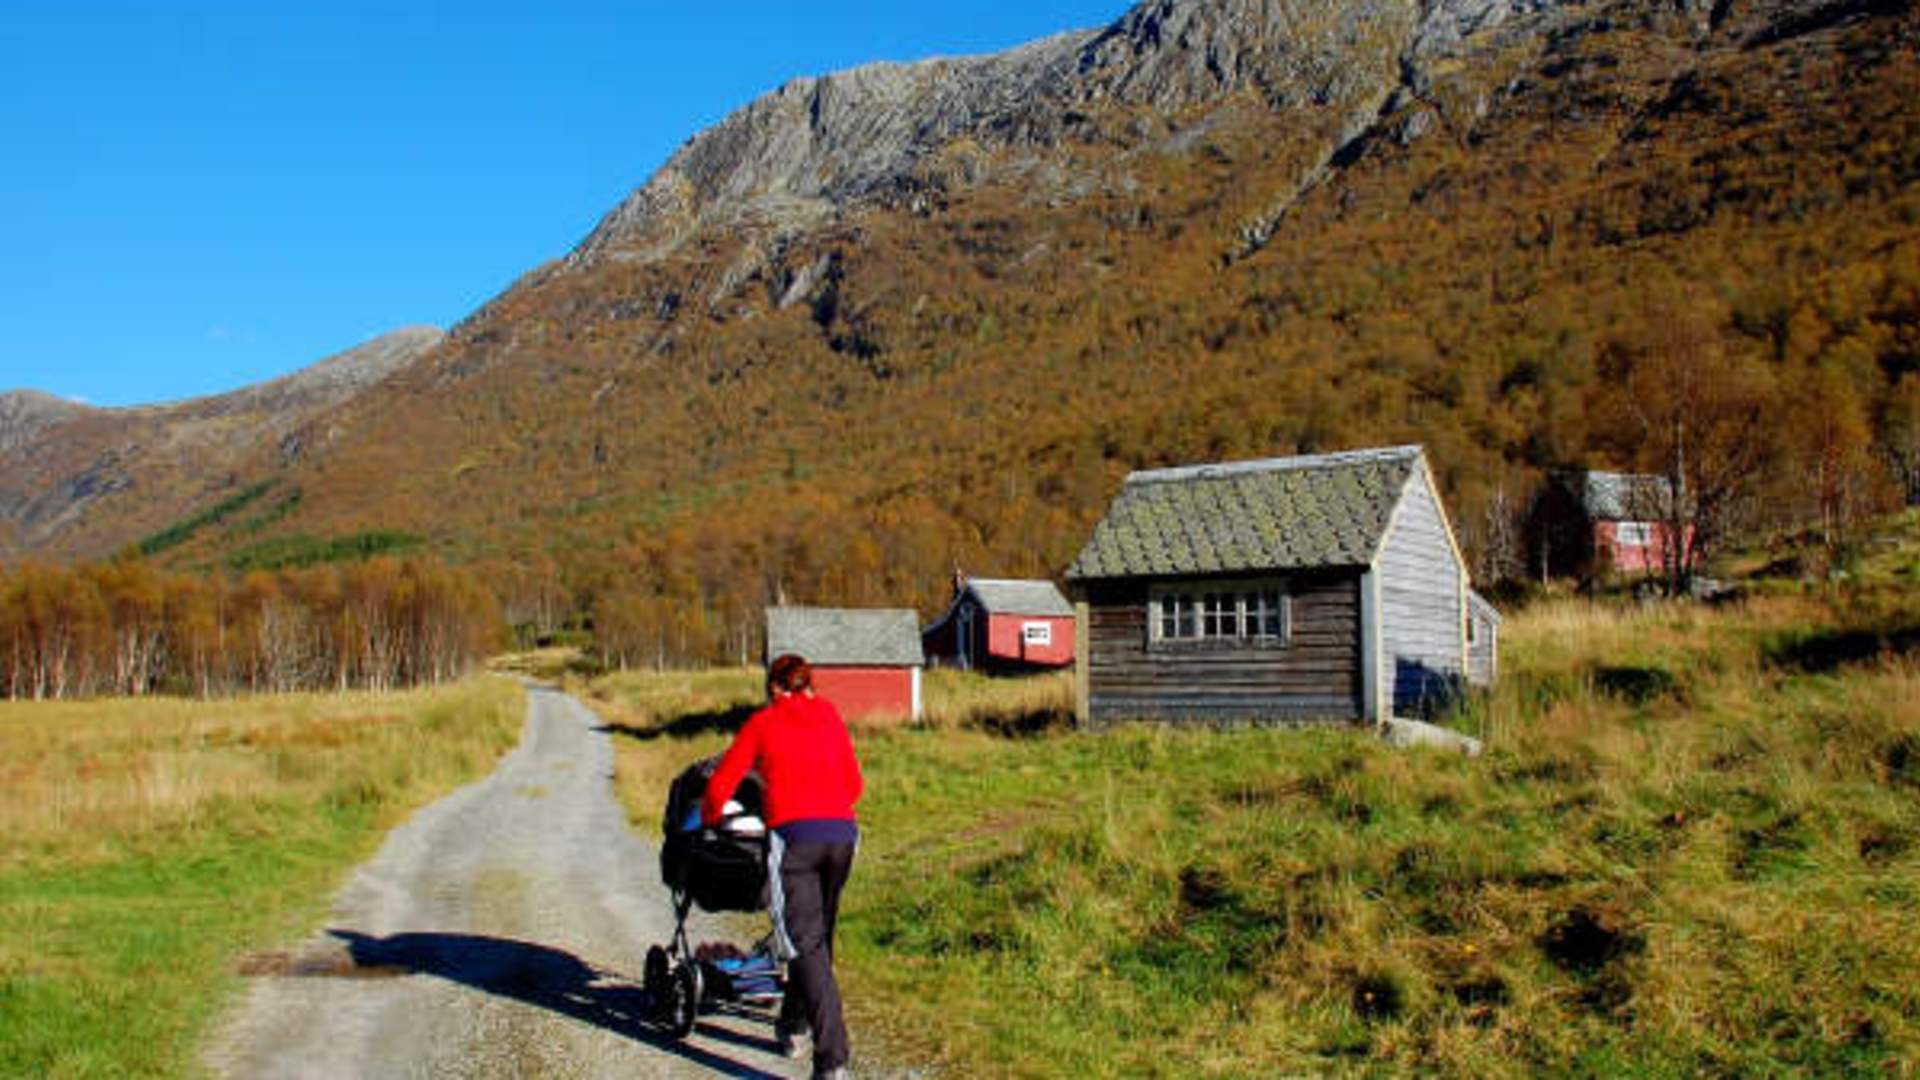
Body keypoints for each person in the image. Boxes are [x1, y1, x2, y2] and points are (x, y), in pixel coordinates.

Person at [703, 653, 863, 1080]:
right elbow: (854, 783)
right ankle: (794, 1024)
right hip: (843, 837)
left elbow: (722, 781)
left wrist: (710, 818)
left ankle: (833, 1059)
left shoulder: (763, 723)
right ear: (808, 685)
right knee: (818, 939)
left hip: (795, 839)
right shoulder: (829, 715)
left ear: (775, 688)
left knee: (802, 944)